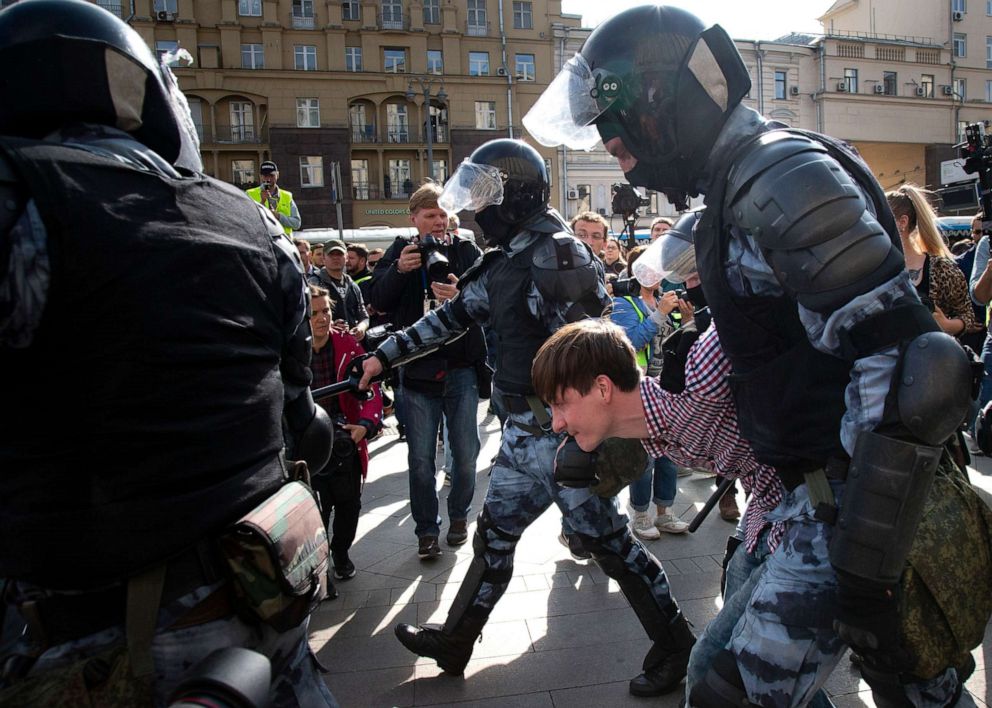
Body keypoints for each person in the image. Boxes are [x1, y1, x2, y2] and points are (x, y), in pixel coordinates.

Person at [525, 5, 973, 706]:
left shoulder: (780, 177)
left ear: (659, 106)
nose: (625, 160)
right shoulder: (741, 184)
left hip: (851, 510)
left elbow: (920, 370)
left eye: (619, 144)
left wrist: (865, 558)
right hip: (817, 505)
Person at [0, 1, 337, 705]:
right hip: (262, 599)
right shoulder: (255, 224)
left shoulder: (22, 199)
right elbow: (302, 420)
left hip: (104, 644)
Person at [359, 139, 696, 697]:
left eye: (485, 195)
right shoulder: (511, 256)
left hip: (562, 436)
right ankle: (457, 639)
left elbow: (595, 352)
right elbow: (454, 318)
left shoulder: (555, 254)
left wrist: (588, 441)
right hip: (521, 433)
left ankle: (677, 643)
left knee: (610, 543)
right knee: (495, 536)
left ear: (511, 197)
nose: (473, 208)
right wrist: (381, 356)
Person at [368, 182, 486, 559]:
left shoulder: (466, 250)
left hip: (461, 367)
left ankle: (458, 517)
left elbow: (490, 300)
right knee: (420, 459)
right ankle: (425, 531)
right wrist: (400, 271)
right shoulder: (401, 251)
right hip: (415, 370)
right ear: (414, 218)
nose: (438, 222)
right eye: (430, 215)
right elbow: (378, 301)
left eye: (443, 215)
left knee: (466, 454)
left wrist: (462, 296)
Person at [610, 246, 689, 537]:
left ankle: (665, 512)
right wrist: (659, 314)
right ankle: (640, 514)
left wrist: (687, 320)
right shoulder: (623, 304)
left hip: (667, 386)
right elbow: (629, 342)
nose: (656, 275)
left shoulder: (662, 299)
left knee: (669, 452)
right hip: (639, 388)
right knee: (645, 455)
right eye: (649, 268)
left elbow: (678, 340)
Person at [309, 286, 383, 584]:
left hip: (344, 440)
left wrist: (366, 424)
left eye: (325, 310)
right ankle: (315, 567)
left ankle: (341, 553)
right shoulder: (287, 350)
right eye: (313, 313)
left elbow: (372, 385)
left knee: (349, 506)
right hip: (305, 446)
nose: (321, 318)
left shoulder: (348, 345)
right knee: (314, 512)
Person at [886, 185, 976, 339]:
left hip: (930, 357)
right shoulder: (874, 267)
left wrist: (947, 325)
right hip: (884, 360)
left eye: (881, 220)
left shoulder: (940, 267)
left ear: (902, 222)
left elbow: (967, 314)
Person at [309, 239, 369, 342]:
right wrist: (331, 324)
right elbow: (307, 315)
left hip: (350, 344)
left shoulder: (353, 285)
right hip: (325, 345)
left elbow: (364, 316)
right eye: (331, 254)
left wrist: (361, 328)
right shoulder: (314, 283)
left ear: (346, 258)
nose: (335, 258)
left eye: (339, 254)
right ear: (323, 258)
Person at [247, 160, 302, 236]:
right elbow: (247, 221)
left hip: (284, 243)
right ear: (260, 176)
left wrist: (278, 216)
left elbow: (296, 224)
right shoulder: (250, 194)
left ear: (277, 175)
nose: (268, 179)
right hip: (262, 242)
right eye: (265, 176)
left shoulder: (287, 196)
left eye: (272, 175)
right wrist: (262, 202)